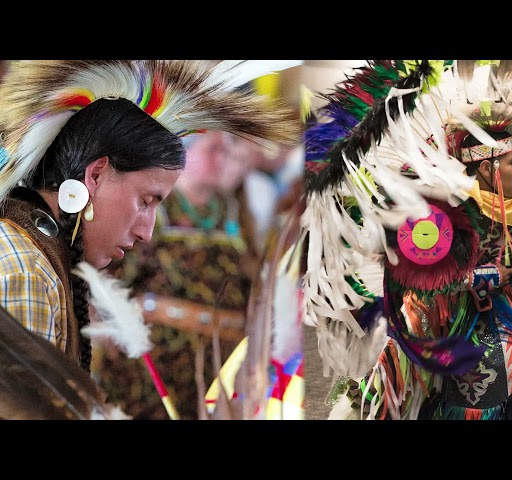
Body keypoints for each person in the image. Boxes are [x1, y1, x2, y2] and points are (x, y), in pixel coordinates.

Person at [302, 59, 512, 420]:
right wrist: (491, 276)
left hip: (507, 319)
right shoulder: (440, 211)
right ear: (487, 167)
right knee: (391, 401)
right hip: (440, 325)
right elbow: (421, 277)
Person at [0, 60, 301, 418]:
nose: (146, 231)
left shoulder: (37, 263)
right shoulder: (24, 270)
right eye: (145, 201)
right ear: (95, 175)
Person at [91, 130, 271, 420]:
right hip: (153, 359)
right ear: (183, 153)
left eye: (226, 152)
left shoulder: (233, 210)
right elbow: (111, 277)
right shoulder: (155, 207)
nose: (223, 159)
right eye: (213, 150)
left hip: (217, 359)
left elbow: (253, 274)